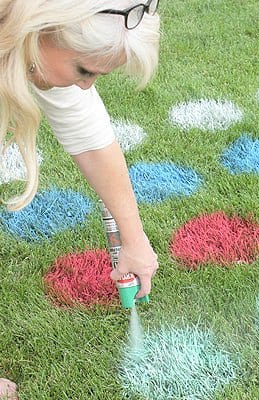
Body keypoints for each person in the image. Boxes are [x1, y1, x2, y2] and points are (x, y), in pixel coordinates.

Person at [0, 1, 161, 398]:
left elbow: (90, 139)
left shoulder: (36, 46)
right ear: (42, 27)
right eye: (84, 70)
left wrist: (135, 240)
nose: (86, 85)